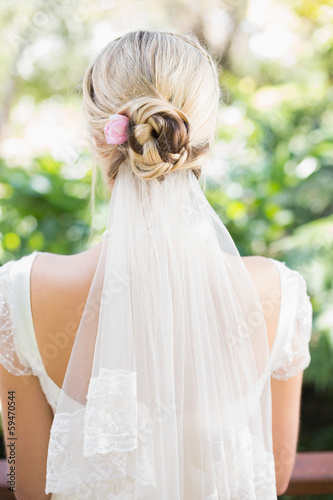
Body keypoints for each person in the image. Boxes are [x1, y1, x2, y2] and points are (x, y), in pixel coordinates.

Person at [0, 30, 312, 500]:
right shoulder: (279, 294)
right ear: (202, 135)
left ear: (98, 136)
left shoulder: (19, 295)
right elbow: (277, 474)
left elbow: (26, 486)